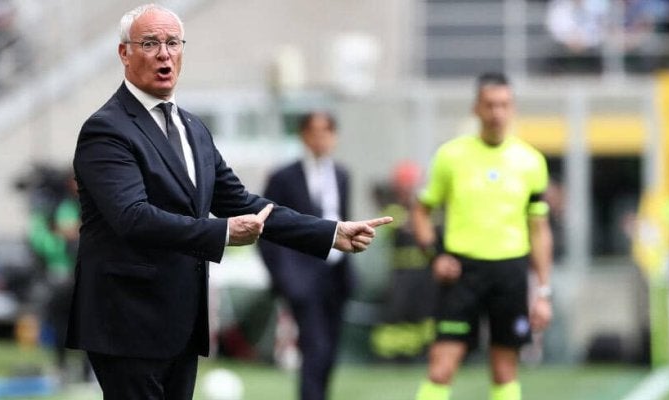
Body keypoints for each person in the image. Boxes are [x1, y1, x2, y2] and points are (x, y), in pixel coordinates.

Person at [66, 4, 392, 400]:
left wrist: (329, 232)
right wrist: (221, 232)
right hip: (127, 318)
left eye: (173, 43)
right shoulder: (106, 129)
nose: (164, 54)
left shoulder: (193, 128)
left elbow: (241, 201)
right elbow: (132, 217)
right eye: (149, 43)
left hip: (181, 318)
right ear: (124, 53)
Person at [412, 73, 553, 400]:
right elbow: (421, 210)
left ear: (513, 108)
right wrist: (435, 256)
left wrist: (543, 292)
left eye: (503, 105)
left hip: (510, 272)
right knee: (441, 368)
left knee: (505, 371)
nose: (496, 113)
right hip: (462, 274)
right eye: (489, 105)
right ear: (476, 108)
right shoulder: (450, 156)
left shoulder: (531, 161)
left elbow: (539, 229)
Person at [257, 111, 353, 400]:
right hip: (302, 276)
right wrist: (285, 276)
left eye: (327, 132)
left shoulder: (342, 175)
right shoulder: (284, 177)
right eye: (315, 132)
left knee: (330, 349)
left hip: (336, 276)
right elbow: (267, 230)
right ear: (303, 136)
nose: (321, 138)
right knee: (315, 346)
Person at [371, 161, 438, 362]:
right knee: (397, 314)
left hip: (425, 273)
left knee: (425, 315)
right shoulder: (393, 210)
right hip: (400, 273)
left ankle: (423, 351)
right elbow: (390, 228)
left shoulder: (427, 209)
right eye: (407, 185)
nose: (411, 190)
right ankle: (390, 355)